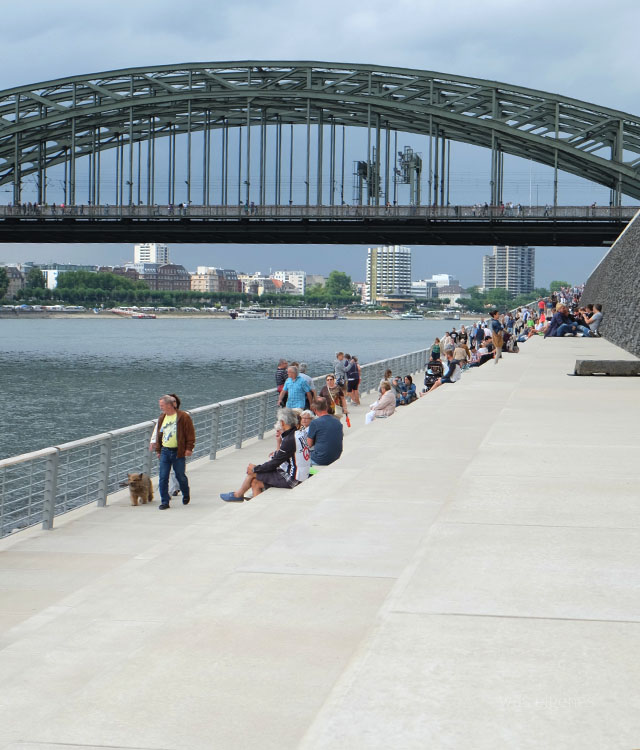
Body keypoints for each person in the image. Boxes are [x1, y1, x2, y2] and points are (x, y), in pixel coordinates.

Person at [220, 408, 310, 501]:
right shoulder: (298, 434)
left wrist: (255, 468)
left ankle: (238, 495)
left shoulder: (289, 440)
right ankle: (254, 504)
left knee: (253, 473)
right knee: (255, 482)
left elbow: (275, 463)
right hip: (302, 475)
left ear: (282, 422)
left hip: (293, 479)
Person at [155, 394, 195, 510]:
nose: (160, 407)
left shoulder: (183, 417)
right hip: (165, 451)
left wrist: (189, 448)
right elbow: (159, 434)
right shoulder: (162, 417)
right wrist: (158, 450)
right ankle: (165, 501)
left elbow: (190, 433)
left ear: (169, 405)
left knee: (180, 476)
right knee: (163, 477)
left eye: (162, 405)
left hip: (178, 452)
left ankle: (186, 492)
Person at [149, 392, 183, 497]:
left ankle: (175, 488)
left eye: (174, 401)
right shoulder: (163, 417)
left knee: (176, 470)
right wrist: (153, 441)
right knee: (166, 471)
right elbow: (158, 429)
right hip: (165, 447)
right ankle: (169, 492)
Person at [306, 397, 343, 466]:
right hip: (336, 457)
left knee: (299, 456)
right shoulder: (337, 421)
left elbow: (308, 444)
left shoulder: (315, 423)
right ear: (327, 407)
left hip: (320, 459)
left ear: (314, 409)